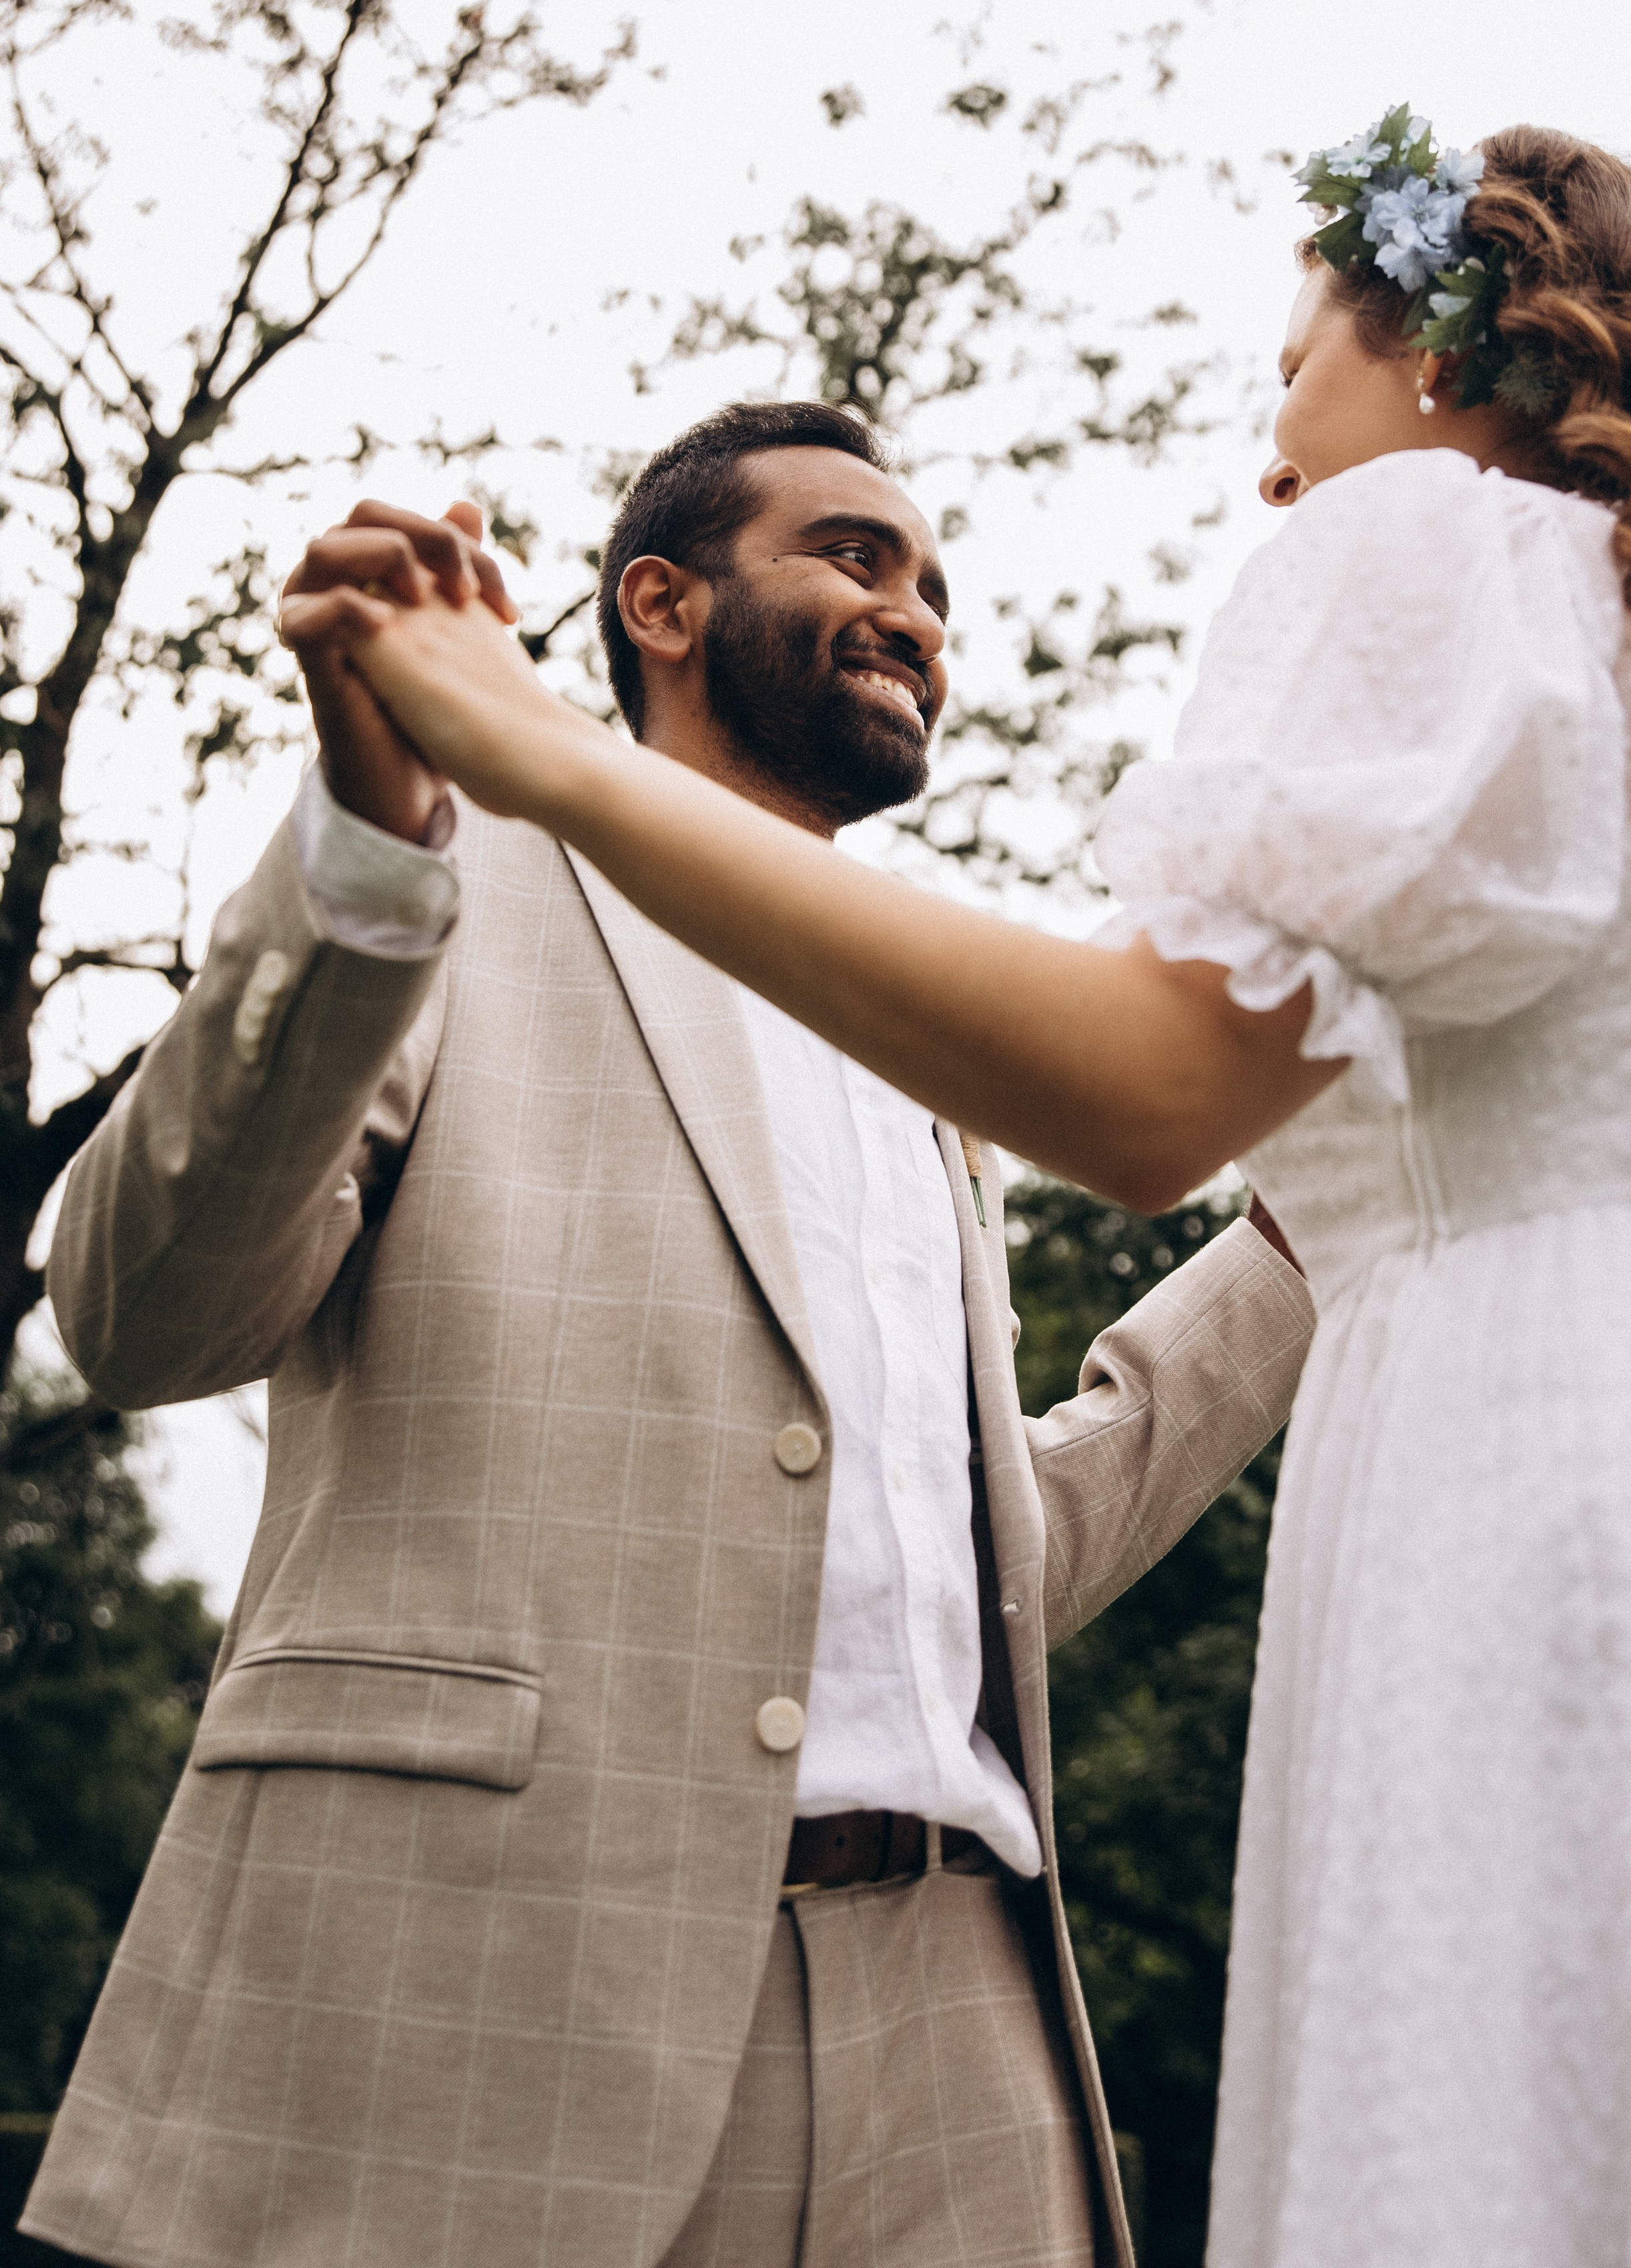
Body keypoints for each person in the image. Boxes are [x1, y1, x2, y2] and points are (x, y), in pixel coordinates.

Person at [314, 119, 1631, 2266]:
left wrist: (545, 756)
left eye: (1291, 376)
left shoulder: (1435, 539)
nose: (1273, 465)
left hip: (1519, 1492)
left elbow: (1145, 1095)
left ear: (1436, 353)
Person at [24, 400, 1315, 2268]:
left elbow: (993, 1567)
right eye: (854, 556)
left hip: (965, 2015)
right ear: (662, 605)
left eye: (937, 589)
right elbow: (140, 1319)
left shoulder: (928, 1039)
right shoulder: (447, 876)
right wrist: (368, 848)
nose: (916, 612)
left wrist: (1298, 1262)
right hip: (496, 1982)